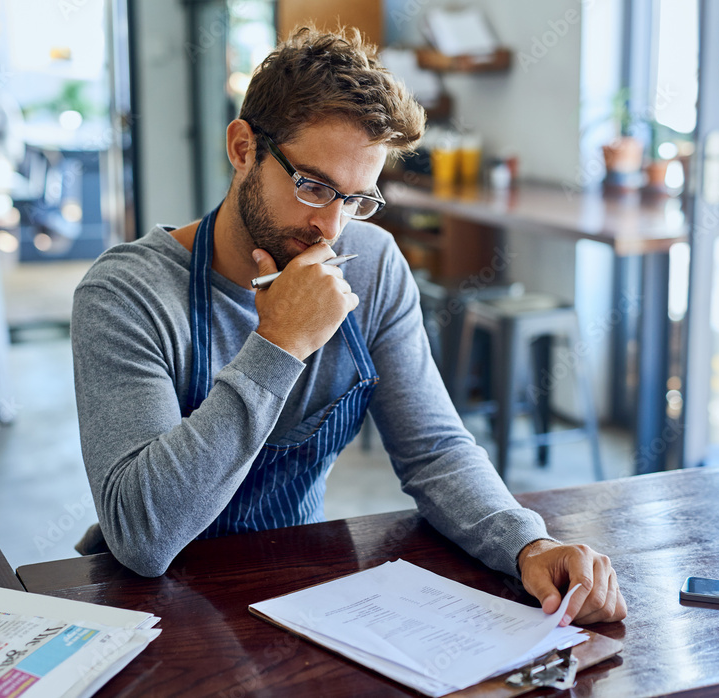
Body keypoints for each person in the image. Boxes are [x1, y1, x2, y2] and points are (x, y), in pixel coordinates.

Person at [72, 27, 626, 627]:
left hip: (299, 592)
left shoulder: (375, 263)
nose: (332, 229)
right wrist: (280, 344)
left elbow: (435, 451)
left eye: (357, 199)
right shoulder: (127, 294)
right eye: (313, 186)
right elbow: (143, 537)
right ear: (242, 148)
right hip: (153, 613)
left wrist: (528, 544)